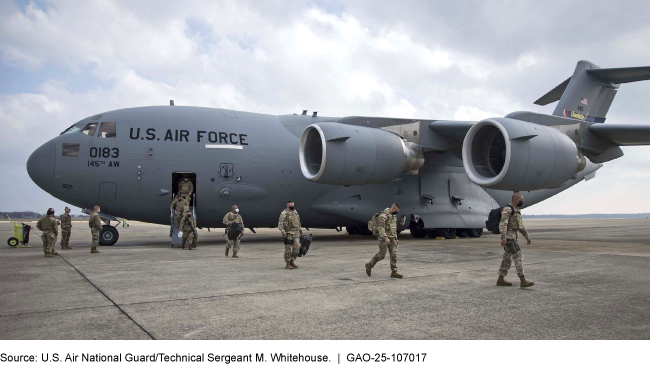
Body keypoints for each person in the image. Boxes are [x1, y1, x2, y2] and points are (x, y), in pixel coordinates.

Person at [497, 192, 534, 288]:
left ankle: (500, 279)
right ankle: (523, 280)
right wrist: (503, 238)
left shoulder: (516, 210)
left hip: (514, 237)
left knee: (507, 260)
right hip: (509, 238)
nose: (522, 201)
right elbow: (503, 224)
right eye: (520, 199)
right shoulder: (507, 209)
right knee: (518, 256)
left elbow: (520, 226)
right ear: (515, 200)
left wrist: (527, 236)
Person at [365, 203, 403, 278]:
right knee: (381, 255)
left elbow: (394, 228)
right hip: (383, 238)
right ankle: (369, 265)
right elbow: (381, 228)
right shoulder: (383, 216)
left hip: (392, 238)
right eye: (397, 210)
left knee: (394, 255)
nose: (397, 212)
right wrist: (386, 238)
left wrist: (396, 238)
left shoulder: (394, 216)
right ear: (393, 208)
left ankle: (394, 272)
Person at [278, 201, 302, 269]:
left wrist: (300, 231)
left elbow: (298, 222)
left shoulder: (295, 212)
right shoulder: (284, 213)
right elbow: (281, 223)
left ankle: (292, 260)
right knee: (288, 248)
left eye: (293, 205)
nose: (293, 206)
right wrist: (283, 232)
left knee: (297, 247)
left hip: (296, 232)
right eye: (291, 205)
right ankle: (287, 263)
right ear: (288, 206)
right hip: (289, 233)